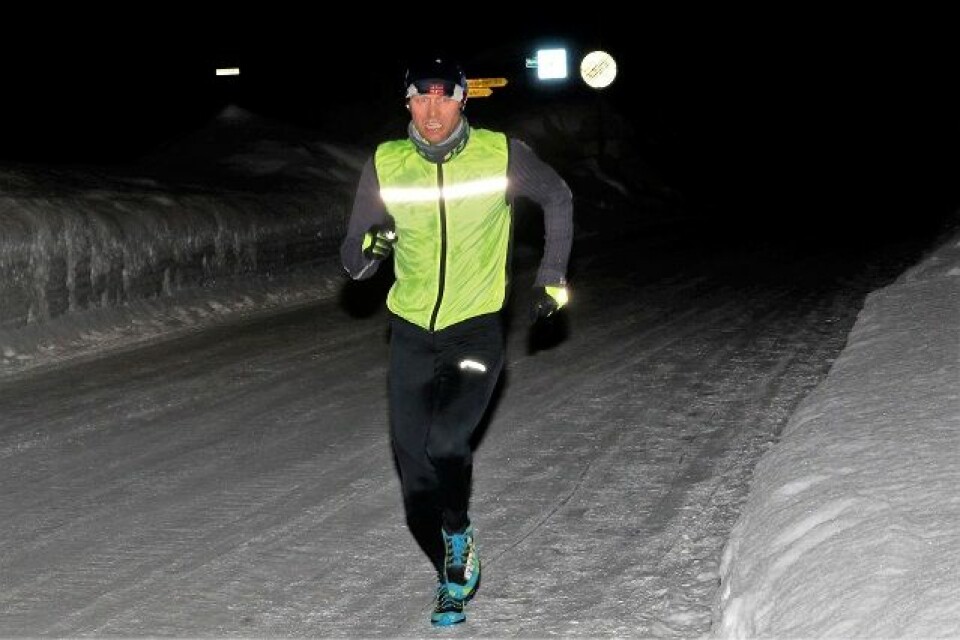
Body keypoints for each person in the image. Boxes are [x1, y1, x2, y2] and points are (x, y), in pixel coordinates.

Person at [340, 55, 573, 627]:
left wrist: (551, 277)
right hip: (411, 332)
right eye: (421, 98)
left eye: (444, 97)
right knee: (415, 479)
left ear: (463, 99)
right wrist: (370, 249)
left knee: (446, 442)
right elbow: (352, 257)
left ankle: (458, 539)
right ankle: (451, 568)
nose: (433, 110)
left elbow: (558, 197)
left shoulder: (500, 153)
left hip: (475, 326)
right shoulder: (386, 163)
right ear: (407, 102)